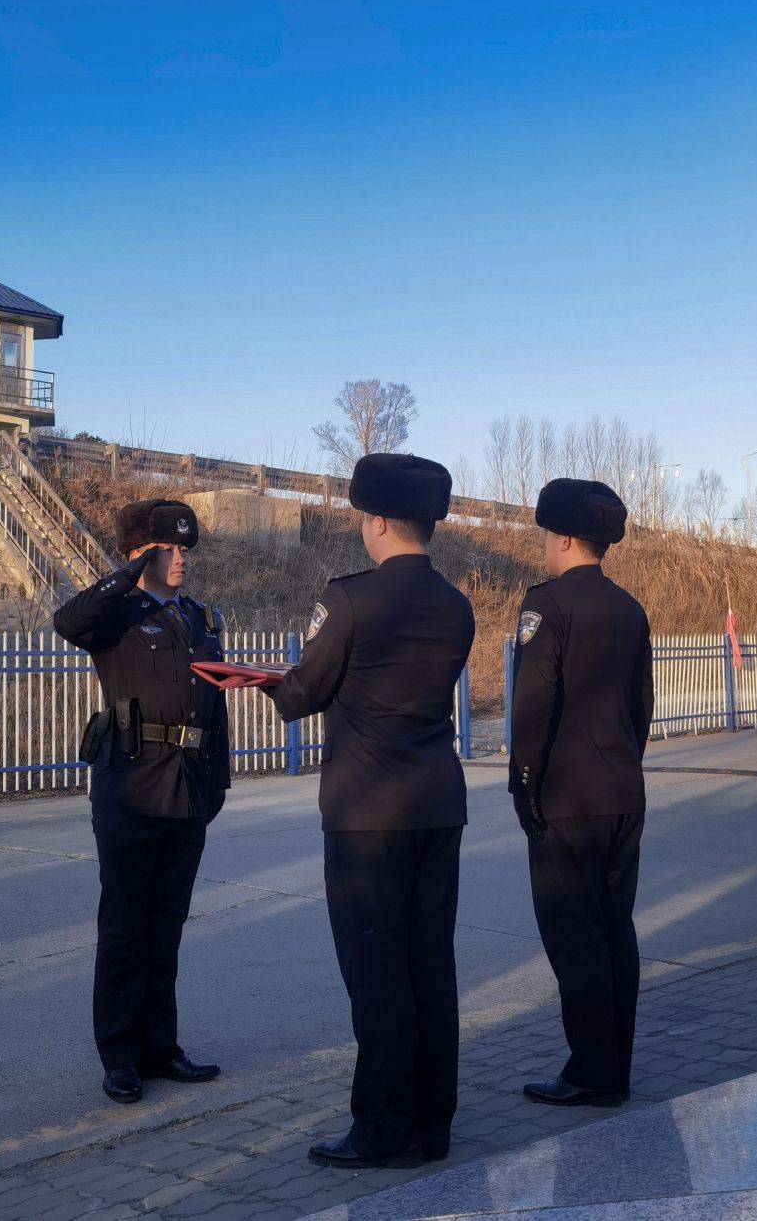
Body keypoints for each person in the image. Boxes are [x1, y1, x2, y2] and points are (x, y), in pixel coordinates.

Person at [267, 453, 475, 1169]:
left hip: (367, 813)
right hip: (437, 803)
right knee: (430, 966)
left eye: (363, 516)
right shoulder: (456, 603)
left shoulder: (349, 598)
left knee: (378, 973)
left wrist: (273, 682)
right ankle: (433, 1123)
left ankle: (384, 1129)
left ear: (378, 521)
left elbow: (303, 693)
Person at [52, 498, 230, 1105]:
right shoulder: (116, 615)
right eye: (169, 549)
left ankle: (162, 1047)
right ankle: (120, 1056)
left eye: (185, 549)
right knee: (126, 928)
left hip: (188, 785)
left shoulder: (200, 618)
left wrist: (220, 781)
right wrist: (127, 572)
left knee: (167, 926)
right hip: (130, 785)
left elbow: (216, 702)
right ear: (142, 553)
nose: (182, 560)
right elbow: (68, 622)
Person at [509, 477, 653, 1108]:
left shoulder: (548, 605)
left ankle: (590, 1072)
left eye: (547, 533)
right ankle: (612, 1065)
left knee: (574, 935)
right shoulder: (629, 608)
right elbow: (641, 708)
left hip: (567, 798)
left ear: (563, 536)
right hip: (623, 791)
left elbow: (533, 706)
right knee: (615, 928)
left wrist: (524, 784)